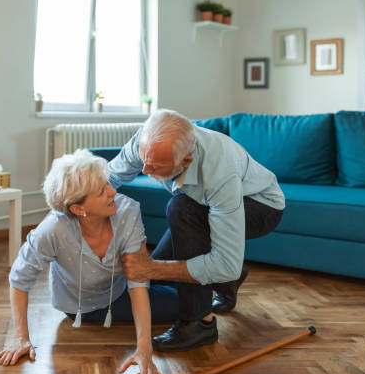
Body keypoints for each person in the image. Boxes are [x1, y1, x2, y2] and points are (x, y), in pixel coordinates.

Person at [0, 149, 179, 374]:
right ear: (78, 208)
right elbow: (19, 279)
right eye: (103, 191)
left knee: (180, 219)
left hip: (123, 283)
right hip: (86, 307)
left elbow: (138, 279)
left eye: (108, 184)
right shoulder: (52, 230)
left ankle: (219, 279)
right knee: (181, 302)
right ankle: (208, 284)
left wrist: (144, 350)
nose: (113, 191)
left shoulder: (127, 210)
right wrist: (21, 338)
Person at [108, 109, 285, 352]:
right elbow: (108, 179)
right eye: (143, 161)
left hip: (261, 206)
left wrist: (151, 267)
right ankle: (227, 285)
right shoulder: (147, 141)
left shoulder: (218, 172)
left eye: (155, 166)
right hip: (202, 203)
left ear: (186, 161)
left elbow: (226, 263)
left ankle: (199, 323)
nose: (145, 171)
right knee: (163, 270)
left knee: (180, 209)